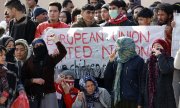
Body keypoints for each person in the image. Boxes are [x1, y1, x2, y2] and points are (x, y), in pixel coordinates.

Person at [21, 35, 67, 108]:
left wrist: (56, 41)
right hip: (35, 96)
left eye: (41, 45)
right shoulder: (28, 62)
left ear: (45, 46)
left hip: (49, 94)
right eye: (36, 45)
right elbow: (23, 80)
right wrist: (33, 80)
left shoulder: (50, 59)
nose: (39, 47)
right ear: (33, 48)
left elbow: (63, 52)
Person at [104, 37, 144, 108]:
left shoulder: (138, 61)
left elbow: (142, 83)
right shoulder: (117, 60)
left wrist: (140, 102)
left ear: (126, 47)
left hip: (132, 101)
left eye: (119, 46)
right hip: (117, 99)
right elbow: (108, 77)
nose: (117, 49)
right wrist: (110, 62)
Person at [143, 39, 176, 108]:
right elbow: (145, 81)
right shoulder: (149, 61)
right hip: (151, 98)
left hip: (165, 98)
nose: (156, 48)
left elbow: (165, 70)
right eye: (154, 46)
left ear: (164, 47)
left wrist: (160, 56)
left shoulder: (170, 60)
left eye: (158, 46)